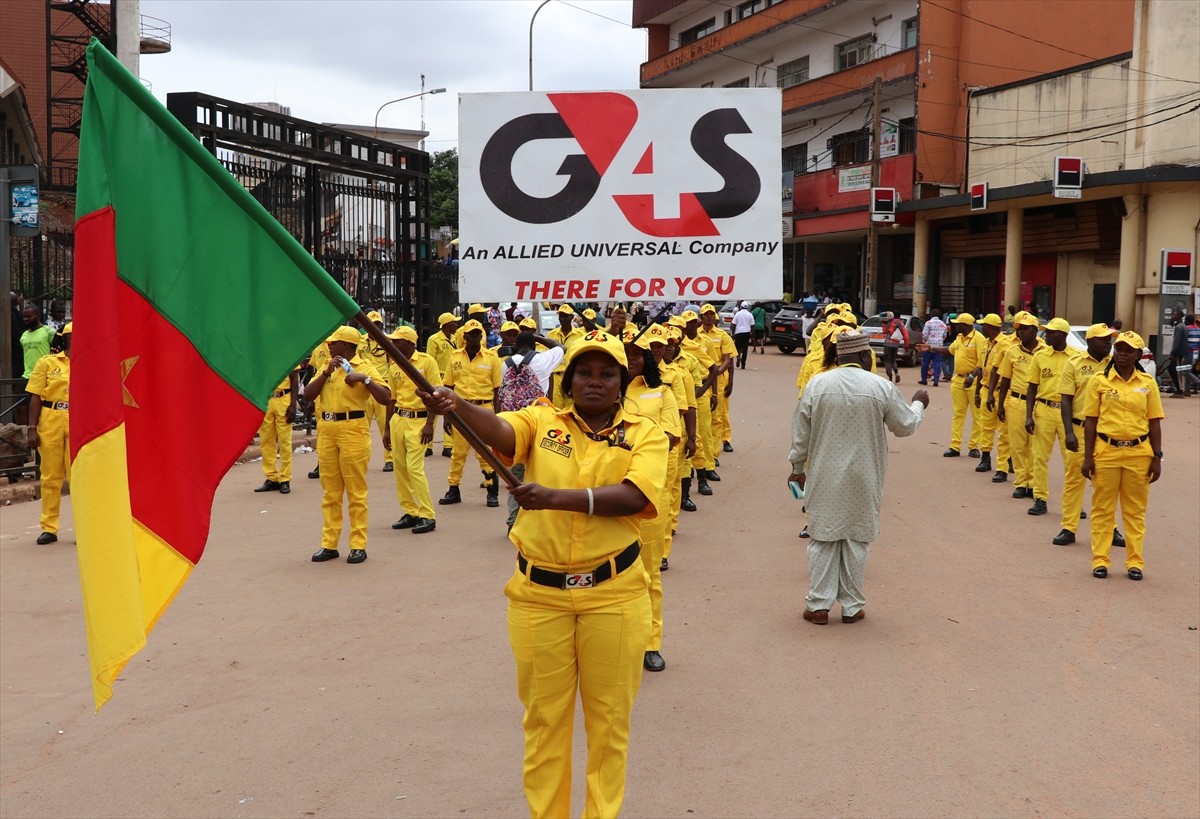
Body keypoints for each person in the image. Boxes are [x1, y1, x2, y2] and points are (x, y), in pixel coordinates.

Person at [420, 328, 667, 818]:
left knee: (609, 727)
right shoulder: (541, 420)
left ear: (622, 381)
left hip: (613, 596)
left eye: (607, 373)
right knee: (544, 723)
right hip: (539, 599)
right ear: (568, 379)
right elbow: (502, 433)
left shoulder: (645, 431)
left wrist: (552, 498)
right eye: (584, 373)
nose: (594, 382)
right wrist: (458, 406)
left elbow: (635, 498)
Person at [788, 331, 928, 624]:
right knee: (857, 539)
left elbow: (801, 434)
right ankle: (851, 607)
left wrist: (797, 468)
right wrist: (918, 404)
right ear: (865, 356)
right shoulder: (880, 386)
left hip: (824, 475)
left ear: (839, 356)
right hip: (865, 476)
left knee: (823, 538)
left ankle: (819, 606)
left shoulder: (817, 384)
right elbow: (904, 427)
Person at [304, 326, 391, 564]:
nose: (329, 346)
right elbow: (308, 396)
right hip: (328, 431)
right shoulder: (326, 367)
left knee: (356, 493)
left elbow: (385, 397)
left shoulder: (365, 367)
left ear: (347, 345)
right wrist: (325, 374)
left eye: (334, 343)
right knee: (330, 493)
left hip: (353, 430)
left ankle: (358, 544)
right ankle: (329, 544)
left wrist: (365, 379)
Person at [1081, 331, 1164, 580]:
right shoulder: (1099, 381)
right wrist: (1088, 457)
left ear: (1138, 354)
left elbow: (1155, 422)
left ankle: (1135, 562)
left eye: (1128, 350)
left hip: (1139, 454)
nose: (1122, 354)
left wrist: (1157, 457)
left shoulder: (1147, 383)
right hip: (1106, 452)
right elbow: (1091, 422)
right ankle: (1100, 560)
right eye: (1119, 349)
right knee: (1102, 509)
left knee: (1135, 511)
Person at [1055, 324, 1125, 549]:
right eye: (1104, 339)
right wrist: (1068, 432)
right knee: (1075, 480)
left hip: (1107, 432)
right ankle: (1069, 527)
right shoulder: (1074, 364)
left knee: (1106, 483)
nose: (1109, 343)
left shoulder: (1117, 364)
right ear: (1090, 341)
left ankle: (1110, 528)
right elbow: (1066, 399)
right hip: (1079, 428)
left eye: (1110, 339)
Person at [499, 329, 565, 532]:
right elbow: (560, 347)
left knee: (516, 476)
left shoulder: (505, 364)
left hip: (515, 425)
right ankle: (537, 522)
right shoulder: (543, 360)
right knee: (540, 472)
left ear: (516, 346)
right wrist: (538, 337)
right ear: (535, 346)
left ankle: (513, 520)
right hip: (539, 424)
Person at [440, 319, 504, 507]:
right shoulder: (455, 357)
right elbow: (448, 387)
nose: (475, 336)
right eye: (472, 334)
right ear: (465, 336)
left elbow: (497, 390)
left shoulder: (492, 358)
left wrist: (497, 417)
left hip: (483, 410)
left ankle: (492, 491)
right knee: (458, 453)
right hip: (459, 409)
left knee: (485, 453)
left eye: (478, 333)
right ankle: (453, 489)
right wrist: (447, 417)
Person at [383, 326, 441, 535]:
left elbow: (436, 395)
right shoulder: (394, 366)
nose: (392, 344)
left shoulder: (427, 362)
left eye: (396, 341)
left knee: (414, 468)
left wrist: (430, 424)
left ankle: (427, 514)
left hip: (419, 420)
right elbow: (392, 398)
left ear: (408, 343)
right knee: (400, 468)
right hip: (399, 419)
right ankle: (410, 511)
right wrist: (387, 429)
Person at [26, 322, 72, 544]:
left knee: (78, 478)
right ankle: (49, 527)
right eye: (71, 336)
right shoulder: (47, 363)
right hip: (51, 417)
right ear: (65, 338)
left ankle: (84, 527)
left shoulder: (90, 362)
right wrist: (31, 429)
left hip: (78, 419)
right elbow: (35, 396)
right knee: (50, 476)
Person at [1024, 318, 1075, 517]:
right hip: (1044, 409)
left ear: (1063, 334)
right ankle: (1040, 498)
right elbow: (1031, 386)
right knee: (1039, 456)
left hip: (1068, 412)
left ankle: (1073, 502)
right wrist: (1029, 415)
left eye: (1052, 332)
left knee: (1071, 459)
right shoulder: (1040, 356)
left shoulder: (1077, 357)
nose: (1047, 335)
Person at [994, 314, 1046, 500]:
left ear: (1034, 330)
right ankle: (1021, 482)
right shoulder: (1012, 351)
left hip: (1039, 404)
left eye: (1024, 328)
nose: (1020, 332)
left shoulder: (1045, 351)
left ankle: (1033, 483)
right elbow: (1005, 379)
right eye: (1018, 328)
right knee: (1017, 445)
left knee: (1035, 447)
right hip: (1016, 402)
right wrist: (1001, 405)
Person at [680, 310, 718, 495]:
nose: (689, 326)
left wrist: (706, 391)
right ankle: (684, 485)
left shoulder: (694, 349)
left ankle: (703, 477)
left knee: (699, 436)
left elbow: (714, 368)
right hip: (673, 400)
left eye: (693, 322)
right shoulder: (662, 351)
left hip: (695, 395)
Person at [935, 313, 983, 458]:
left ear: (967, 325)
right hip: (958, 380)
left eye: (958, 324)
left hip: (973, 381)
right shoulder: (959, 338)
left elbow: (982, 363)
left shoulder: (979, 339)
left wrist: (972, 376)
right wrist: (931, 348)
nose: (955, 326)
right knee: (958, 414)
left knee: (977, 416)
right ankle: (955, 446)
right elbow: (949, 350)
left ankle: (974, 446)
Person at [357, 311, 395, 472]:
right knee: (360, 426)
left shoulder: (387, 342)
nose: (375, 327)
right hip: (364, 388)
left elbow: (393, 364)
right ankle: (361, 458)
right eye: (372, 324)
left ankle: (390, 458)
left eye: (378, 324)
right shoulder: (360, 342)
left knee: (385, 424)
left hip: (381, 386)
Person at [254, 365, 300, 494]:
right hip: (267, 400)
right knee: (266, 441)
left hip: (283, 398)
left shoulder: (287, 353)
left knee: (285, 442)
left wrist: (293, 404)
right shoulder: (263, 357)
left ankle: (285, 478)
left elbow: (294, 379)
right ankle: (271, 478)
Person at [698, 304, 736, 456]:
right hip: (700, 378)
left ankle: (715, 451)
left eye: (711, 314)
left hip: (719, 378)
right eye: (705, 314)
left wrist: (728, 380)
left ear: (715, 317)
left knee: (718, 414)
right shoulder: (695, 335)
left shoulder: (722, 335)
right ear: (701, 317)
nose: (708, 317)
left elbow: (728, 360)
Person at [970, 314, 1004, 475]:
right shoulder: (985, 344)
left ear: (991, 327)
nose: (982, 328)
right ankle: (985, 457)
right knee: (986, 426)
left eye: (984, 325)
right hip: (985, 389)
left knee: (1005, 429)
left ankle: (1006, 462)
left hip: (1001, 391)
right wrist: (977, 393)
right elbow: (980, 369)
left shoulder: (1005, 345)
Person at [427, 312, 459, 457]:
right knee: (432, 410)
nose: (456, 325)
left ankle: (448, 445)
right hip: (438, 377)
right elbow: (430, 360)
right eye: (454, 323)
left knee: (449, 411)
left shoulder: (456, 339)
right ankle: (428, 445)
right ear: (446, 324)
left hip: (450, 379)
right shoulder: (434, 340)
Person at [548, 304, 583, 409]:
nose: (563, 319)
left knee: (571, 406)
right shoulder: (551, 335)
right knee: (556, 408)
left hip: (571, 376)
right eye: (561, 316)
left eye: (566, 316)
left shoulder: (580, 335)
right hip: (556, 376)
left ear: (572, 317)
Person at [1163, 308, 1193, 397]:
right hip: (1181, 352)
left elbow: (1177, 341)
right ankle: (1179, 389)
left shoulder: (1179, 327)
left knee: (1175, 371)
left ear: (1179, 316)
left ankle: (1180, 390)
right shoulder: (1182, 326)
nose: (1173, 316)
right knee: (1174, 370)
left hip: (1178, 353)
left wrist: (1172, 353)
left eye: (1174, 315)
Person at [880, 311, 908, 384]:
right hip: (896, 345)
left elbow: (884, 331)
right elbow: (906, 336)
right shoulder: (901, 324)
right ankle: (896, 373)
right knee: (893, 360)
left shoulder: (890, 322)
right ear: (900, 316)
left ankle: (890, 377)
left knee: (887, 361)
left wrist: (884, 324)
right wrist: (906, 346)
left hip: (888, 344)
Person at [920, 310, 947, 386]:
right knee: (937, 363)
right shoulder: (943, 324)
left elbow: (924, 334)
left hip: (929, 345)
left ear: (931, 315)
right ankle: (936, 380)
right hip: (939, 346)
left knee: (925, 363)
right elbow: (944, 336)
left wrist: (924, 341)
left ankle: (924, 379)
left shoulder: (928, 323)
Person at [730, 301, 755, 369]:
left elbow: (734, 325)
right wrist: (753, 337)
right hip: (746, 333)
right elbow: (752, 326)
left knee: (738, 347)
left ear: (741, 307)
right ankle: (743, 364)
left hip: (738, 333)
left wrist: (733, 334)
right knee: (745, 349)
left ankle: (738, 357)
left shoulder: (737, 314)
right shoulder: (750, 315)